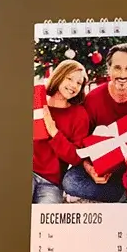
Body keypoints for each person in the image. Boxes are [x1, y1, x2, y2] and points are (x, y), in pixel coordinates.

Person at [61, 44, 127, 202]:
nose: (122, 74)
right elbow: (82, 142)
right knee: (70, 182)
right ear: (109, 69)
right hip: (102, 160)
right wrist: (90, 168)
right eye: (117, 68)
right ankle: (125, 194)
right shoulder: (93, 98)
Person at [32, 59, 90, 204]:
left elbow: (76, 157)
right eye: (69, 78)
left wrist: (54, 131)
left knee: (46, 223)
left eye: (79, 83)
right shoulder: (37, 101)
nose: (73, 86)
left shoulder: (79, 114)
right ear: (59, 76)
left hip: (51, 182)